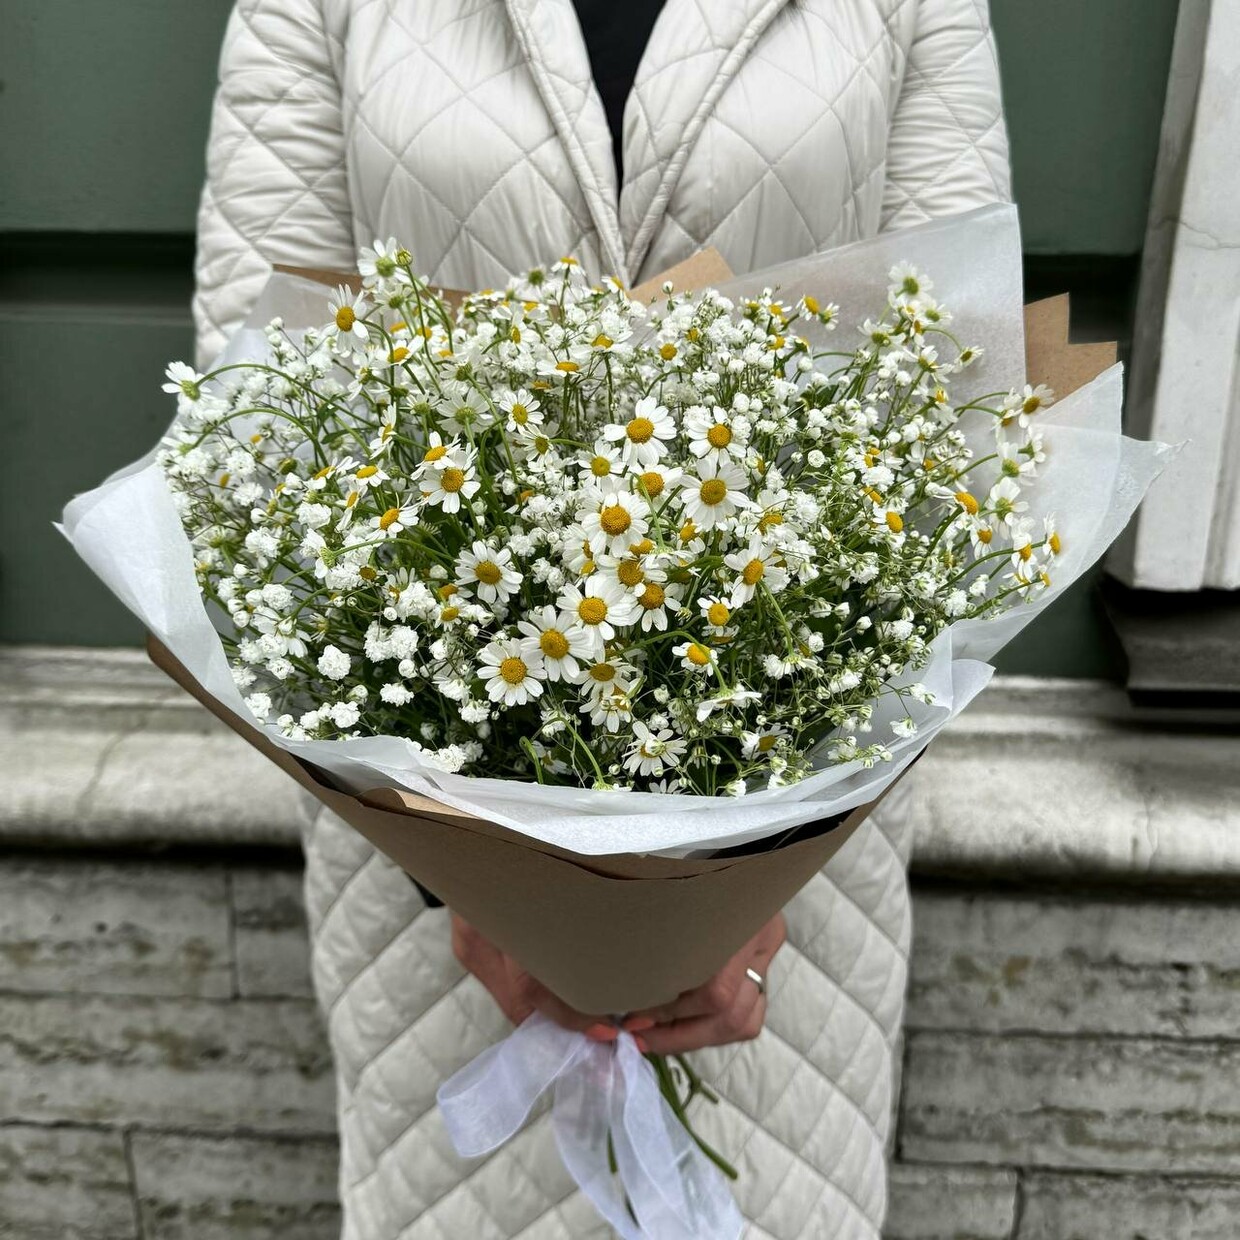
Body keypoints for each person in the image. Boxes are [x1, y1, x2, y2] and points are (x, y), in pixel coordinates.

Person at [193, 1, 1010, 1235]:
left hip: (792, 894)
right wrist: (471, 890)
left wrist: (737, 895)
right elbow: (257, 408)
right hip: (430, 871)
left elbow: (957, 402)